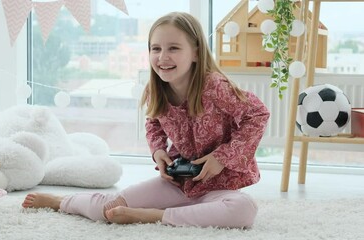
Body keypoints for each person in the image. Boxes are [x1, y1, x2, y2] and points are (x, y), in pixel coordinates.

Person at [22, 12, 270, 228]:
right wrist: (159, 151)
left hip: (219, 186)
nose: (163, 56)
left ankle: (154, 217)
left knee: (243, 210)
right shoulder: (156, 89)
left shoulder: (214, 86)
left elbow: (257, 114)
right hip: (179, 182)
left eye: (173, 48)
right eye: (156, 48)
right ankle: (61, 201)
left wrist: (222, 157)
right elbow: (153, 123)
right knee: (109, 208)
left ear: (195, 52)